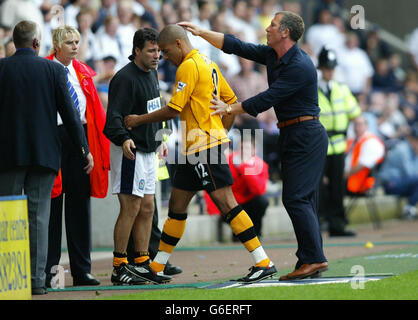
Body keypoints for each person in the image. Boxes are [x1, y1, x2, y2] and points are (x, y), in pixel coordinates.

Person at [179, 10, 329, 281]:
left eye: (272, 25)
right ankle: (311, 258)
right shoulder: (274, 55)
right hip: (294, 132)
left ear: (285, 32)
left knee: (295, 198)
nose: (267, 28)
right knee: (303, 199)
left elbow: (269, 97)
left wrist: (230, 108)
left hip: (305, 133)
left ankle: (314, 259)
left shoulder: (300, 65)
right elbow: (237, 45)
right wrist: (201, 33)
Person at [124, 24, 277, 283]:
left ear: (179, 44)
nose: (164, 56)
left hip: (202, 147)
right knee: (177, 206)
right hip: (194, 146)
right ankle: (158, 266)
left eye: (166, 50)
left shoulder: (188, 66)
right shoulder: (208, 63)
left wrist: (138, 120)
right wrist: (222, 132)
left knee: (226, 203)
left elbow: (173, 109)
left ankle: (263, 261)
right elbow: (230, 102)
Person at [0, 20, 93, 295]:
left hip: (8, 155)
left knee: (7, 216)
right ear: (37, 43)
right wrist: (83, 149)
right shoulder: (53, 69)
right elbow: (71, 115)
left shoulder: (2, 69)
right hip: (44, 154)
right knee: (39, 218)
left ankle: (10, 279)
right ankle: (36, 282)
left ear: (15, 42)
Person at [103, 28, 172, 285]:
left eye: (159, 51)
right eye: (152, 51)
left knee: (148, 207)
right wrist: (124, 138)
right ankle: (120, 265)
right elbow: (113, 120)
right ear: (137, 51)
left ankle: (142, 262)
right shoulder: (124, 78)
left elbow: (155, 109)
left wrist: (161, 138)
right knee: (130, 207)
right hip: (130, 151)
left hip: (150, 149)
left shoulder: (152, 74)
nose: (157, 56)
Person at [44, 25, 110, 287]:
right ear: (56, 45)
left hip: (80, 138)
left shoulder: (81, 71)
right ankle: (49, 273)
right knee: (52, 206)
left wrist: (91, 146)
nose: (74, 46)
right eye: (69, 42)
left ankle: (82, 270)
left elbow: (91, 110)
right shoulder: (46, 69)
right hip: (54, 137)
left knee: (79, 206)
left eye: (77, 41)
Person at [316, 46, 362, 237]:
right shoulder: (313, 90)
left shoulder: (342, 89)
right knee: (318, 187)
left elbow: (355, 114)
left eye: (332, 68)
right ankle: (318, 225)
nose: (330, 71)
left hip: (339, 145)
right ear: (321, 68)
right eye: (327, 68)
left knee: (337, 186)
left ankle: (337, 225)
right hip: (320, 146)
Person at [204, 135, 270, 241]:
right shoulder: (229, 161)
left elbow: (258, 190)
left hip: (250, 204)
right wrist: (214, 210)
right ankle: (238, 235)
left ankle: (256, 234)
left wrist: (245, 167)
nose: (245, 152)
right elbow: (215, 183)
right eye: (242, 148)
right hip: (232, 205)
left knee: (261, 202)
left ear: (254, 150)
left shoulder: (260, 164)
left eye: (248, 148)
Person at [377, 126, 418, 220]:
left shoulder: (413, 150)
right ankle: (409, 208)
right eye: (416, 140)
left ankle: (409, 208)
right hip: (390, 183)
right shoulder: (402, 149)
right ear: (411, 139)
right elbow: (410, 173)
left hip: (403, 182)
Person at [345, 115, 385, 195]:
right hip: (349, 180)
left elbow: (363, 164)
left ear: (366, 125)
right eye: (355, 125)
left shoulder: (372, 142)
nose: (357, 128)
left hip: (358, 184)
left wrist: (343, 176)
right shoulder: (354, 139)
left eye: (360, 124)